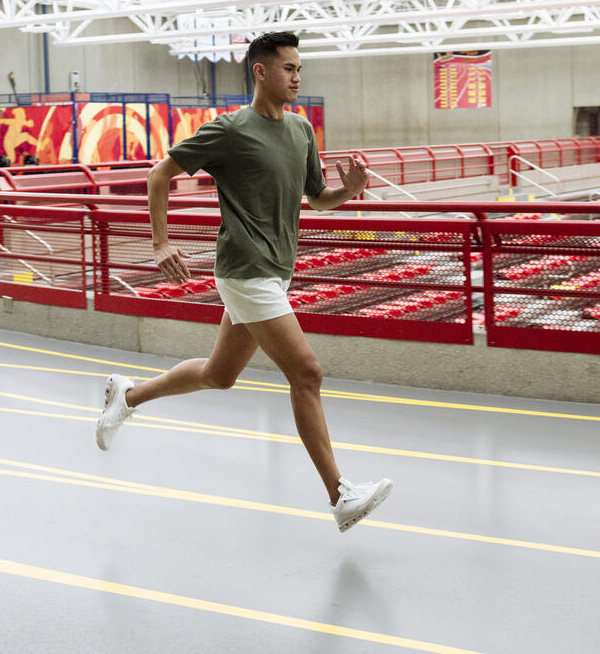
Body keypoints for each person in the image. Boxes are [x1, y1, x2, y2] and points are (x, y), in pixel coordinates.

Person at [94, 31, 392, 533]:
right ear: (260, 71)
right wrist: (161, 242)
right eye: (289, 68)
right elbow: (159, 174)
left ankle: (128, 396)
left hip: (276, 271)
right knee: (306, 372)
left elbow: (317, 199)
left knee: (220, 374)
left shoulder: (301, 131)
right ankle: (340, 495)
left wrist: (351, 190)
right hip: (245, 269)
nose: (298, 77)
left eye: (299, 69)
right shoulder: (230, 130)